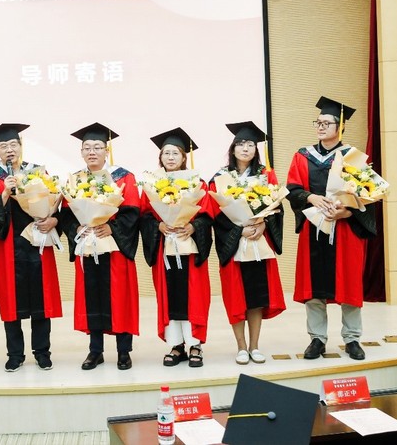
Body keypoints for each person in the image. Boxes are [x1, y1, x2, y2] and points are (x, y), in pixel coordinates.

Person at [286, 97, 376, 361]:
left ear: (341, 126)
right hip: (313, 229)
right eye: (318, 122)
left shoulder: (353, 157)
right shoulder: (302, 156)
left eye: (327, 123)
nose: (321, 126)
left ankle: (352, 338)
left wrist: (346, 211)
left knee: (348, 284)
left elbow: (368, 195)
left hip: (346, 231)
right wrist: (311, 198)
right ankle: (317, 338)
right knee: (314, 288)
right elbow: (293, 190)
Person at [0, 123, 62, 372]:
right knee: (10, 300)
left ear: (21, 146)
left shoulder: (37, 171)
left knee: (41, 298)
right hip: (8, 246)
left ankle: (42, 352)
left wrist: (53, 219)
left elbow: (54, 202)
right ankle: (15, 354)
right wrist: (5, 192)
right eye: (4, 146)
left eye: (13, 144)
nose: (9, 150)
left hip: (37, 243)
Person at [58, 122, 140, 371]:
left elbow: (132, 212)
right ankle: (96, 351)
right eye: (87, 148)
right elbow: (66, 214)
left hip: (115, 249)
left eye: (97, 147)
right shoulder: (75, 180)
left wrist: (112, 228)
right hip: (88, 246)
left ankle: (123, 351)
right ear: (81, 152)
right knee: (91, 296)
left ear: (107, 150)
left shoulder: (124, 178)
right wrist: (77, 229)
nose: (92, 152)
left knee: (119, 297)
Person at [210, 121, 286, 365]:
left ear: (256, 149)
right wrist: (238, 229)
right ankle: (241, 346)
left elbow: (277, 208)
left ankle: (254, 346)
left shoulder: (265, 175)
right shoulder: (221, 177)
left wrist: (263, 225)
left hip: (258, 244)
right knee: (236, 297)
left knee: (256, 297)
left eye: (250, 144)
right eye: (241, 144)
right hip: (234, 245)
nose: (245, 148)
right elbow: (215, 214)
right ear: (232, 149)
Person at [139, 128, 212, 368]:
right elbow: (144, 216)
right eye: (166, 153)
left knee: (194, 294)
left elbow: (208, 215)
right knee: (168, 295)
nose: (170, 157)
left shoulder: (197, 183)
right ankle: (176, 344)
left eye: (175, 153)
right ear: (160, 157)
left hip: (189, 248)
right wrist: (158, 225)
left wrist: (193, 227)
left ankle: (195, 344)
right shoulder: (152, 185)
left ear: (183, 157)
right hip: (165, 247)